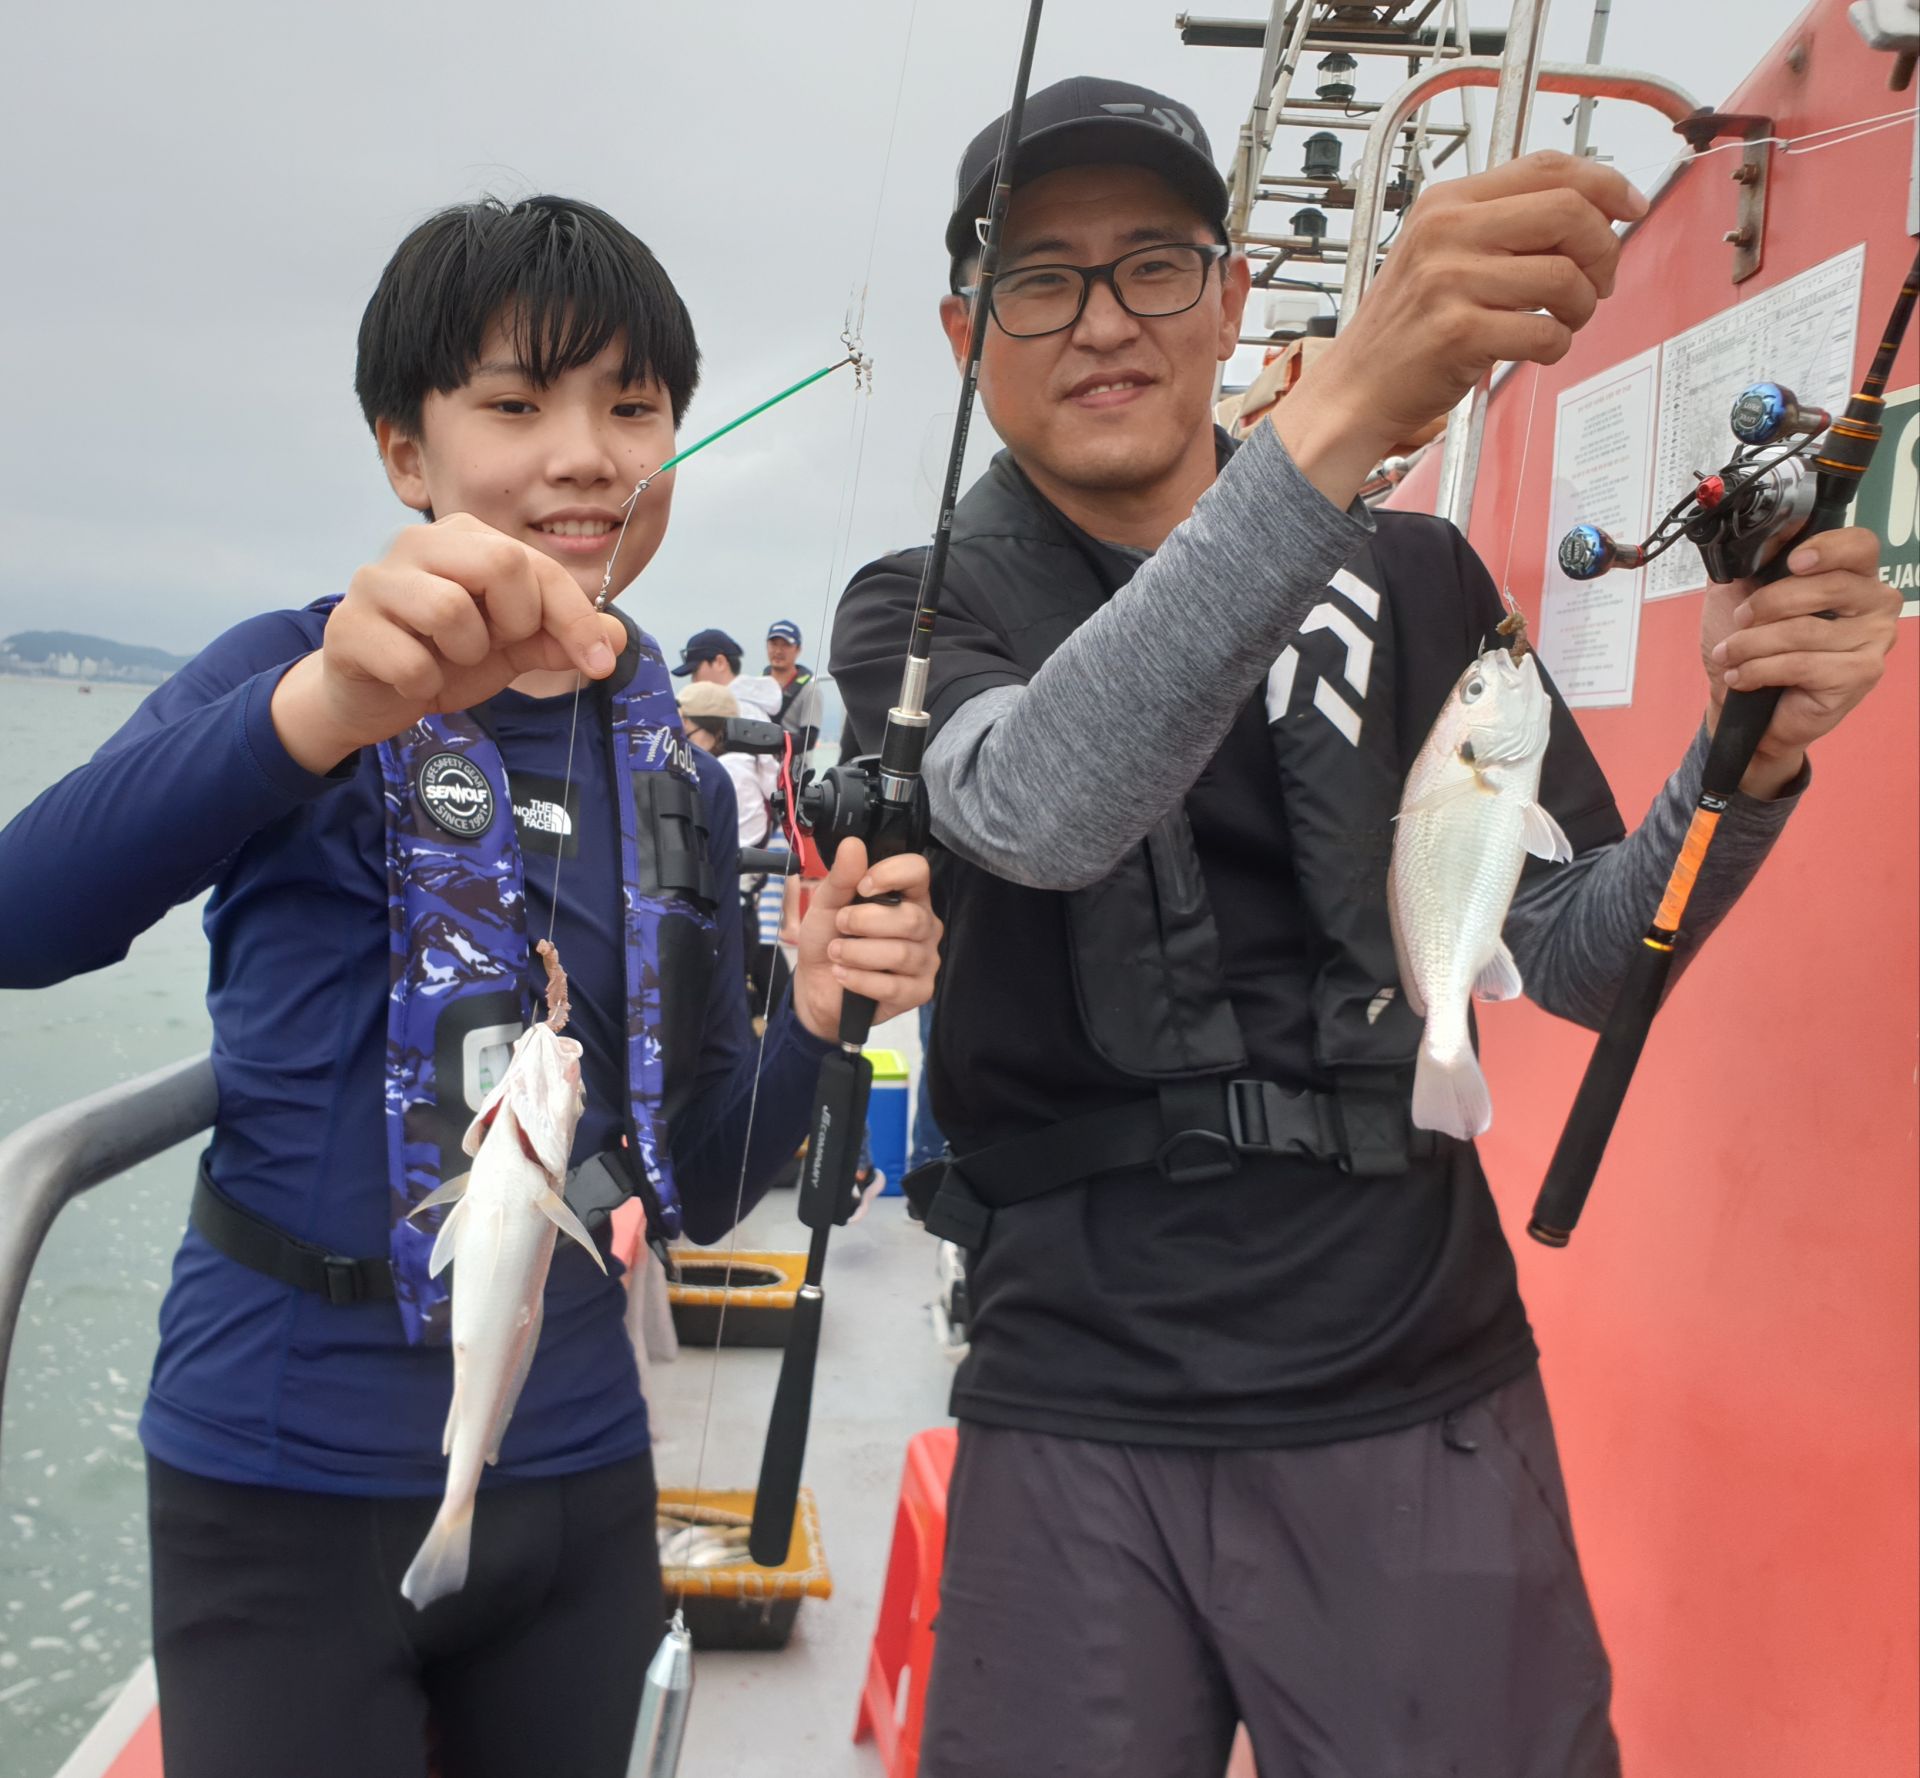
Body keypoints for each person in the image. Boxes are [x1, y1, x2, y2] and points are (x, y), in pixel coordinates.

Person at [830, 79, 1896, 1778]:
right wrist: (1345, 411)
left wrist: (1743, 755)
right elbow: (1035, 803)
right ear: (970, 328)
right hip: (1073, 1392)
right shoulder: (923, 611)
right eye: (1042, 278)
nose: (1103, 321)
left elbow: (1579, 945)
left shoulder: (1419, 581)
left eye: (1154, 268)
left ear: (1232, 293)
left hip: (1418, 1375)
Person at [0, 193, 941, 1778]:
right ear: (404, 455)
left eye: (630, 407)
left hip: (572, 1459)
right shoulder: (295, 668)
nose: (582, 452)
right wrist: (312, 710)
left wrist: (818, 1008)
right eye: (515, 403)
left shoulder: (678, 780)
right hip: (278, 1471)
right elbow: (27, 919)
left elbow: (702, 1180)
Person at [762, 617, 823, 746]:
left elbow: (809, 740)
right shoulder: (757, 686)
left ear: (798, 649)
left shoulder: (811, 691)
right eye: (774, 644)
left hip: (794, 763)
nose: (778, 651)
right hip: (759, 762)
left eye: (785, 645)